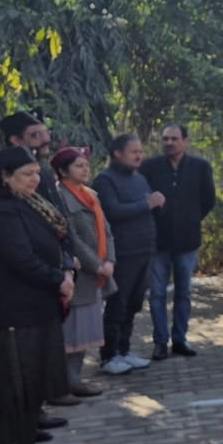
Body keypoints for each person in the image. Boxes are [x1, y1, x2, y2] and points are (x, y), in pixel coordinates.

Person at [0, 146, 70, 444]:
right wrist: (58, 279)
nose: (35, 179)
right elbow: (20, 258)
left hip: (35, 309)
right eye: (26, 174)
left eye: (36, 173)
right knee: (9, 389)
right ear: (5, 176)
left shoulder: (27, 204)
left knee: (31, 385)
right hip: (9, 312)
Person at [139, 124, 215, 361]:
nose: (169, 143)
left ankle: (180, 339)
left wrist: (190, 219)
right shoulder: (150, 167)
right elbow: (142, 196)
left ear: (185, 141)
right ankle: (160, 341)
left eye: (174, 138)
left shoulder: (200, 167)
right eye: (165, 139)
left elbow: (208, 200)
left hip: (187, 241)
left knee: (184, 292)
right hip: (158, 241)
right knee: (157, 294)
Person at [93, 134, 160, 376]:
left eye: (140, 151)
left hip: (144, 250)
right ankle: (109, 355)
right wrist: (148, 204)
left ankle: (124, 350)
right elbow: (112, 211)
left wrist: (155, 204)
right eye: (133, 151)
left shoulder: (140, 178)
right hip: (122, 253)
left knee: (133, 304)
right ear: (117, 153)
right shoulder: (105, 180)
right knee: (118, 305)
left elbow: (147, 206)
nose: (139, 156)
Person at [52, 147, 112, 399]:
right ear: (63, 171)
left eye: (86, 164)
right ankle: (66, 382)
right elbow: (72, 239)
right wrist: (96, 265)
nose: (85, 169)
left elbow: (106, 231)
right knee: (72, 332)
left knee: (86, 330)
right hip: (79, 272)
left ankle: (75, 379)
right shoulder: (59, 197)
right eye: (78, 165)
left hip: (96, 273)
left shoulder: (91, 194)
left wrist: (110, 260)